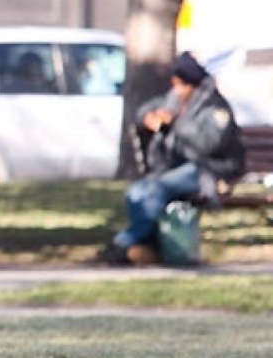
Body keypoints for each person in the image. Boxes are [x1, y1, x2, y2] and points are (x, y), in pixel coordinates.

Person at [100, 51, 245, 265]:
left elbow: (209, 145)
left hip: (209, 170)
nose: (177, 90)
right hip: (176, 168)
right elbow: (147, 109)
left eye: (181, 85)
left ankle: (126, 241)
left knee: (157, 189)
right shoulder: (174, 100)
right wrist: (148, 117)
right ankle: (147, 241)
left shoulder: (215, 107)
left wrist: (176, 122)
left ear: (192, 84)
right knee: (137, 192)